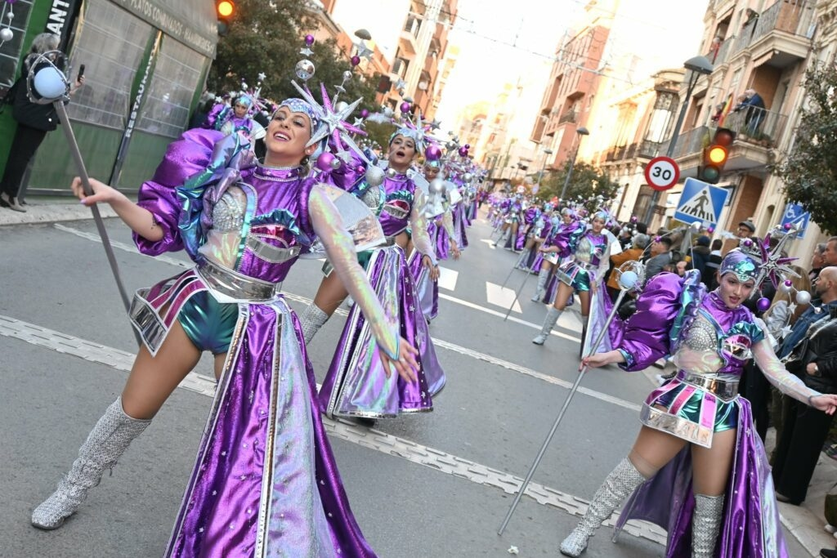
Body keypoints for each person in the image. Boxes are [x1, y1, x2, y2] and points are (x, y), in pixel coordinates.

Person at [31, 97, 420, 557]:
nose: (283, 125)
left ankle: (234, 539)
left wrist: (384, 330)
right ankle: (72, 488)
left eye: (298, 123)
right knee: (131, 408)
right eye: (278, 117)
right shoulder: (225, 171)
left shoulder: (313, 195)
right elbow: (161, 229)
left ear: (311, 142)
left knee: (248, 441)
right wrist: (115, 197)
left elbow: (348, 265)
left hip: (252, 323)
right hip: (196, 299)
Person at [558, 250, 837, 557]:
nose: (738, 292)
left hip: (724, 412)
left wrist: (812, 396)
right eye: (732, 282)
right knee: (631, 472)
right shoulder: (690, 303)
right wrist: (611, 355)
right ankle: (584, 529)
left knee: (710, 501)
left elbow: (776, 371)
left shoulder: (752, 323)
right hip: (682, 401)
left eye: (747, 286)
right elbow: (653, 344)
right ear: (719, 276)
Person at [300, 124, 445, 421]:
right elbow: (340, 198)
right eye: (397, 142)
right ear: (389, 147)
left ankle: (367, 400)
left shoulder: (415, 191)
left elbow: (419, 231)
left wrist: (428, 254)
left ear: (415, 154)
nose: (401, 147)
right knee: (318, 312)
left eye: (408, 144)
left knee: (373, 332)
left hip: (385, 264)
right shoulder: (368, 172)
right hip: (355, 253)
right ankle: (281, 366)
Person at [772, 267, 837, 505]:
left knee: (806, 441)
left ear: (830, 283)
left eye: (820, 279)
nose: (815, 281)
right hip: (803, 381)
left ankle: (791, 490)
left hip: (822, 386)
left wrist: (821, 368)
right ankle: (779, 480)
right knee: (791, 433)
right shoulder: (823, 310)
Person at [0, 33, 85, 212]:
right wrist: (73, 89)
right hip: (38, 118)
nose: (57, 50)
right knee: (23, 158)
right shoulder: (45, 67)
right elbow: (57, 95)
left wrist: (71, 87)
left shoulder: (29, 61)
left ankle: (5, 192)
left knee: (17, 154)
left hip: (25, 113)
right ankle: (11, 195)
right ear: (49, 48)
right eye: (55, 46)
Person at [532, 210, 616, 346]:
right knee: (558, 305)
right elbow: (564, 247)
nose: (597, 225)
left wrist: (596, 280)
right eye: (596, 221)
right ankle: (543, 335)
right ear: (592, 221)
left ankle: (588, 345)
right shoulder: (581, 233)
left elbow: (604, 265)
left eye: (601, 223)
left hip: (589, 276)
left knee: (586, 313)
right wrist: (547, 249)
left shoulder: (606, 242)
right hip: (572, 270)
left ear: (605, 225)